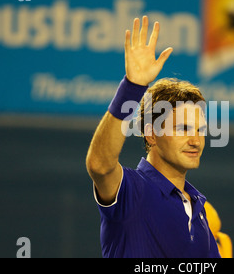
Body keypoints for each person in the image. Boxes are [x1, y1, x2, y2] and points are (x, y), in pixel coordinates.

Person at [86, 16, 221, 258]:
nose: (196, 140)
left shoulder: (199, 208)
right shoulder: (131, 190)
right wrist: (132, 87)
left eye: (200, 130)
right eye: (183, 128)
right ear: (151, 134)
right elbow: (99, 165)